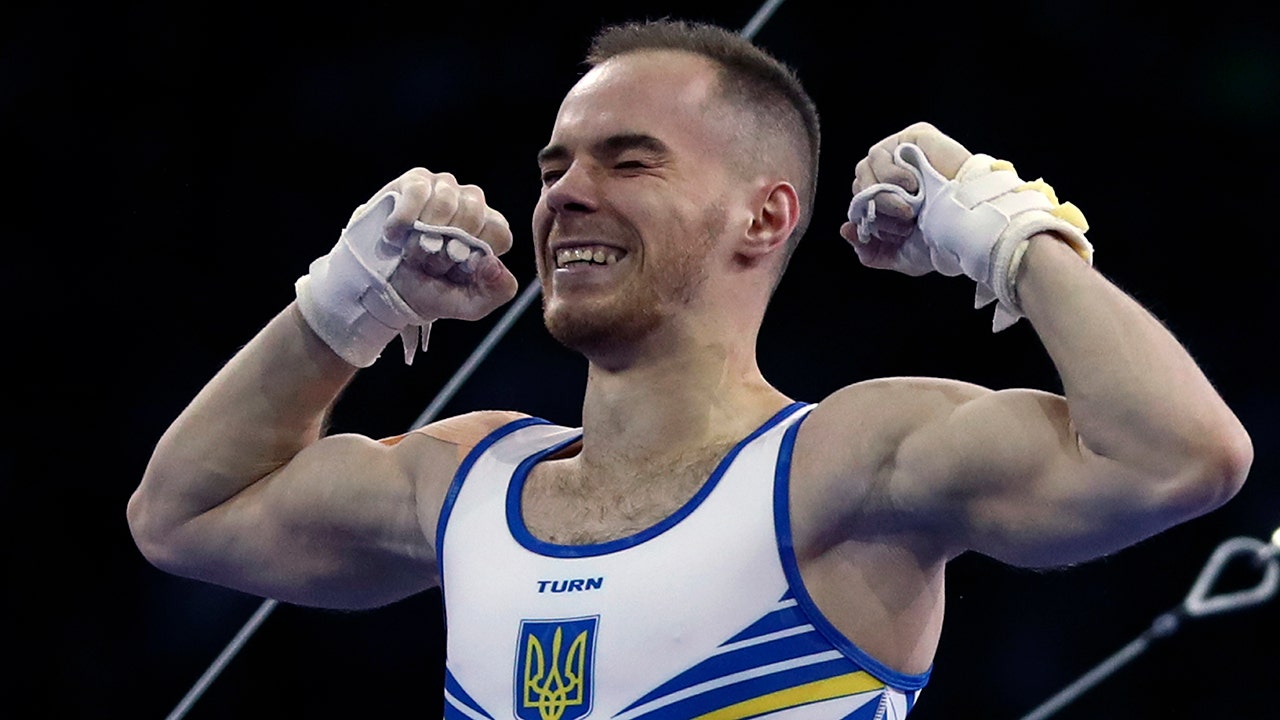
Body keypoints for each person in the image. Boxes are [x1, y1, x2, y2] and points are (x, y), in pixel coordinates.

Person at [128, 19, 1252, 719]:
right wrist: (343, 303)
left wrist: (1009, 235)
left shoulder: (842, 467)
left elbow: (1180, 456)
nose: (566, 193)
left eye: (629, 162)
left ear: (764, 216)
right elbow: (181, 516)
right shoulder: (467, 479)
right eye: (554, 166)